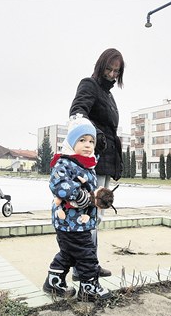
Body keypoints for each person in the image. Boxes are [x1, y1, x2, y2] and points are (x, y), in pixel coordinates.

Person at [68, 48, 125, 280]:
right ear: (100, 66)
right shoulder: (89, 85)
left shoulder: (109, 95)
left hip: (107, 161)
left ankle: (88, 264)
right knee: (88, 215)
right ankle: (83, 268)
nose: (112, 74)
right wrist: (96, 136)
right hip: (94, 160)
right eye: (108, 69)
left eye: (116, 71)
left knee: (95, 216)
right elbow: (77, 112)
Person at [42, 116, 112, 301]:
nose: (88, 145)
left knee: (69, 254)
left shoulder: (87, 163)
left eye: (91, 141)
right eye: (82, 140)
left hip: (80, 222)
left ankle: (53, 282)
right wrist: (81, 196)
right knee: (87, 254)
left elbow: (91, 187)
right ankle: (89, 288)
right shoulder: (64, 162)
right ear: (71, 143)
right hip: (69, 221)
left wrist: (99, 195)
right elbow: (58, 184)